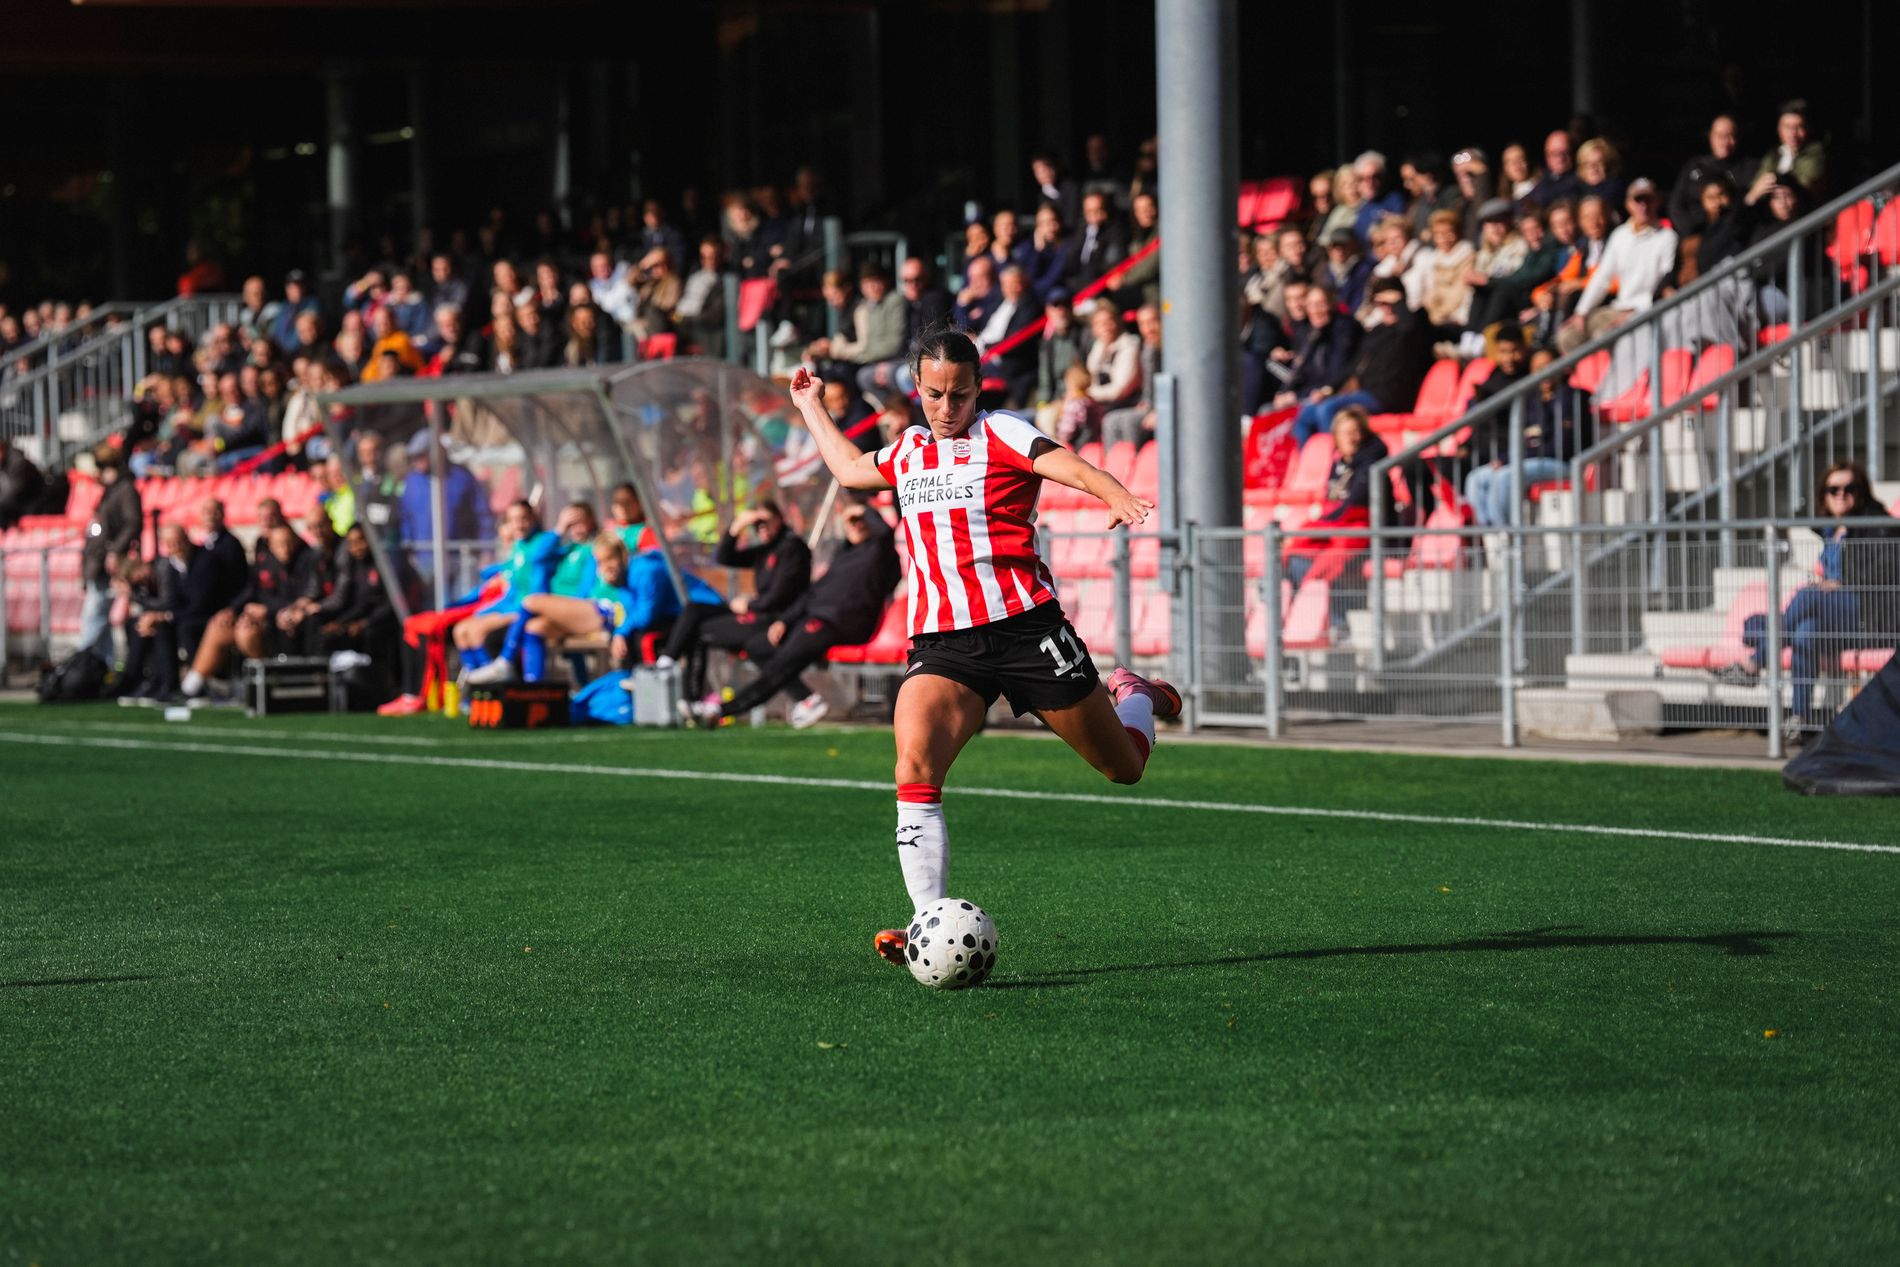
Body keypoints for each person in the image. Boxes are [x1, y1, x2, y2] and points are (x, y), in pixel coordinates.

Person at [779, 330, 1180, 972]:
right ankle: (926, 923)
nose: (947, 407)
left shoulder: (1003, 434)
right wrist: (810, 408)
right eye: (935, 394)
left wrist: (1114, 494)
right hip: (945, 645)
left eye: (959, 394)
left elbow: (1067, 464)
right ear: (918, 390)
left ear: (978, 388)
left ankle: (1133, 694)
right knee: (914, 766)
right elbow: (852, 470)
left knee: (1124, 768)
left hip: (1028, 631)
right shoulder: (908, 452)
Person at [686, 500, 901, 729]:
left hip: (840, 622)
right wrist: (784, 621)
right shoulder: (843, 555)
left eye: (861, 522)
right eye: (851, 522)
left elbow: (885, 533)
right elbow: (812, 594)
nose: (856, 526)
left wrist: (863, 510)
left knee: (785, 660)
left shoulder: (878, 552)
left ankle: (724, 710)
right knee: (758, 644)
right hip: (816, 617)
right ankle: (806, 699)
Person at [1722, 464, 1899, 728]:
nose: (1841, 495)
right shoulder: (1830, 531)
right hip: (1833, 617)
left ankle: (1754, 663)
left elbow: (1889, 569)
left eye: (1850, 489)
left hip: (1867, 615)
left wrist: (1841, 582)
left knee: (1807, 597)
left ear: (1862, 492)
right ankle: (1799, 718)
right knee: (1805, 630)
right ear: (1824, 494)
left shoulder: (1878, 524)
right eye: (1833, 489)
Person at [658, 501, 812, 701]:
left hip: (775, 618)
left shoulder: (792, 547)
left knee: (701, 631)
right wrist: (736, 528)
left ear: (780, 519)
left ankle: (691, 698)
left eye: (765, 521)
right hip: (757, 611)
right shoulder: (765, 550)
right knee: (694, 611)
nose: (761, 527)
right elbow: (723, 557)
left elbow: (779, 596)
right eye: (756, 524)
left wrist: (749, 604)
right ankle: (668, 660)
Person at [1462, 342, 1589, 525]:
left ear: (1561, 367)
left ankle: (1506, 537)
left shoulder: (1572, 397)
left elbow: (1561, 447)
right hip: (1531, 459)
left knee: (1504, 477)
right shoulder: (1531, 401)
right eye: (1538, 368)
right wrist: (1505, 458)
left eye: (1548, 366)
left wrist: (1510, 460)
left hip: (1562, 463)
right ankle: (1488, 537)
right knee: (1476, 478)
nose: (1543, 373)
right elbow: (1522, 441)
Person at [1558, 180, 1678, 354]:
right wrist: (1581, 312)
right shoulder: (1620, 235)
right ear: (1628, 204)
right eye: (1638, 200)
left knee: (1604, 336)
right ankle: (1578, 381)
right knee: (1567, 336)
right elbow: (1602, 278)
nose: (1643, 205)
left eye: (1648, 200)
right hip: (1617, 307)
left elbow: (1665, 281)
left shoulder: (1667, 237)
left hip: (1644, 310)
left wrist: (1633, 314)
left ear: (1657, 202)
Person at [1281, 406, 1389, 588]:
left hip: (1359, 525)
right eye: (1344, 433)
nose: (1350, 438)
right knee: (1294, 544)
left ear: (1363, 435)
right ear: (1336, 436)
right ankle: (1284, 589)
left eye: (1355, 432)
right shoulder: (1338, 462)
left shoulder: (1372, 464)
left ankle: (1312, 589)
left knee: (1338, 547)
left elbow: (1354, 505)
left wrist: (1321, 524)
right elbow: (1331, 500)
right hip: (1335, 523)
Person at [77, 446, 143, 667]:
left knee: (94, 615)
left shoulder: (125, 490)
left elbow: (133, 523)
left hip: (107, 563)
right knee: (100, 620)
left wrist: (115, 551)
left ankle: (80, 661)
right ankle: (104, 665)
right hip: (95, 561)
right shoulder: (109, 491)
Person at [0, 434, 48, 529]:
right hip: (15, 504)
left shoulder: (18, 463)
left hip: (30, 505)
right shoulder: (4, 464)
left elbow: (14, 494)